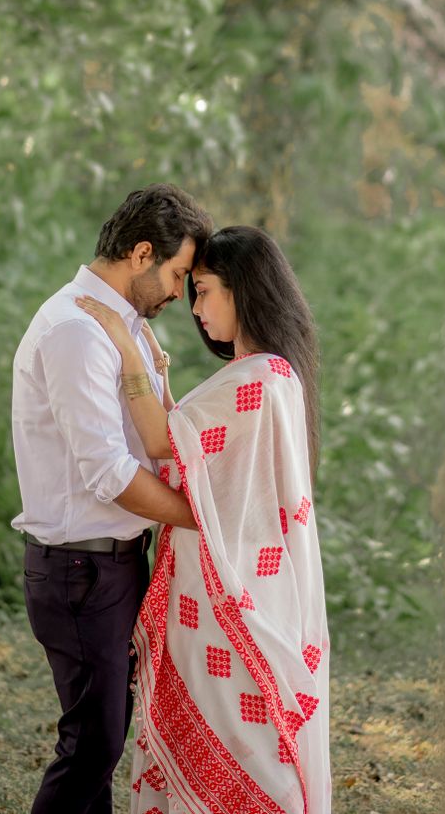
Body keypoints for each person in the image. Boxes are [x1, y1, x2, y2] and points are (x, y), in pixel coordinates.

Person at [76, 224, 331, 814]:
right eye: (191, 290)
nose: (194, 306)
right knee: (234, 740)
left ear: (245, 290)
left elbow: (165, 442)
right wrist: (162, 378)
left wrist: (122, 340)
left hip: (231, 600)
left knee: (252, 749)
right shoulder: (266, 375)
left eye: (205, 290)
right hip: (222, 592)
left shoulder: (262, 379)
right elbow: (200, 457)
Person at [11, 183, 215, 814]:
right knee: (92, 745)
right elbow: (108, 472)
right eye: (178, 274)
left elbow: (158, 438)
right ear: (141, 253)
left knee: (103, 741)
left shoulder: (120, 327)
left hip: (114, 562)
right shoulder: (76, 331)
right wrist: (204, 518)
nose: (179, 292)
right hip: (80, 567)